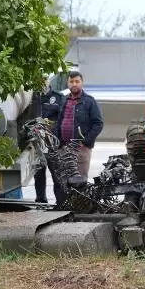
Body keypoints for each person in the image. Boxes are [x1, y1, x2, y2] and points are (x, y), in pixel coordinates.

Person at [54, 71, 103, 201]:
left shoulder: (89, 101)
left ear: (82, 83)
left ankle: (81, 209)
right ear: (68, 83)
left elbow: (98, 124)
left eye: (77, 81)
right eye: (71, 81)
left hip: (81, 148)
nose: (74, 84)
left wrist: (86, 141)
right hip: (64, 148)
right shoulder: (64, 99)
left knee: (80, 180)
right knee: (64, 180)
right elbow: (60, 121)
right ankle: (66, 207)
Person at [34, 75, 62, 203]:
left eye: (44, 78)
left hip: (52, 143)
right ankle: (41, 200)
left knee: (57, 174)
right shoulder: (32, 97)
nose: (42, 81)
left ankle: (61, 201)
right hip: (36, 143)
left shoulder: (58, 97)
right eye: (40, 78)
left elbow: (62, 119)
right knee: (38, 174)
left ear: (49, 80)